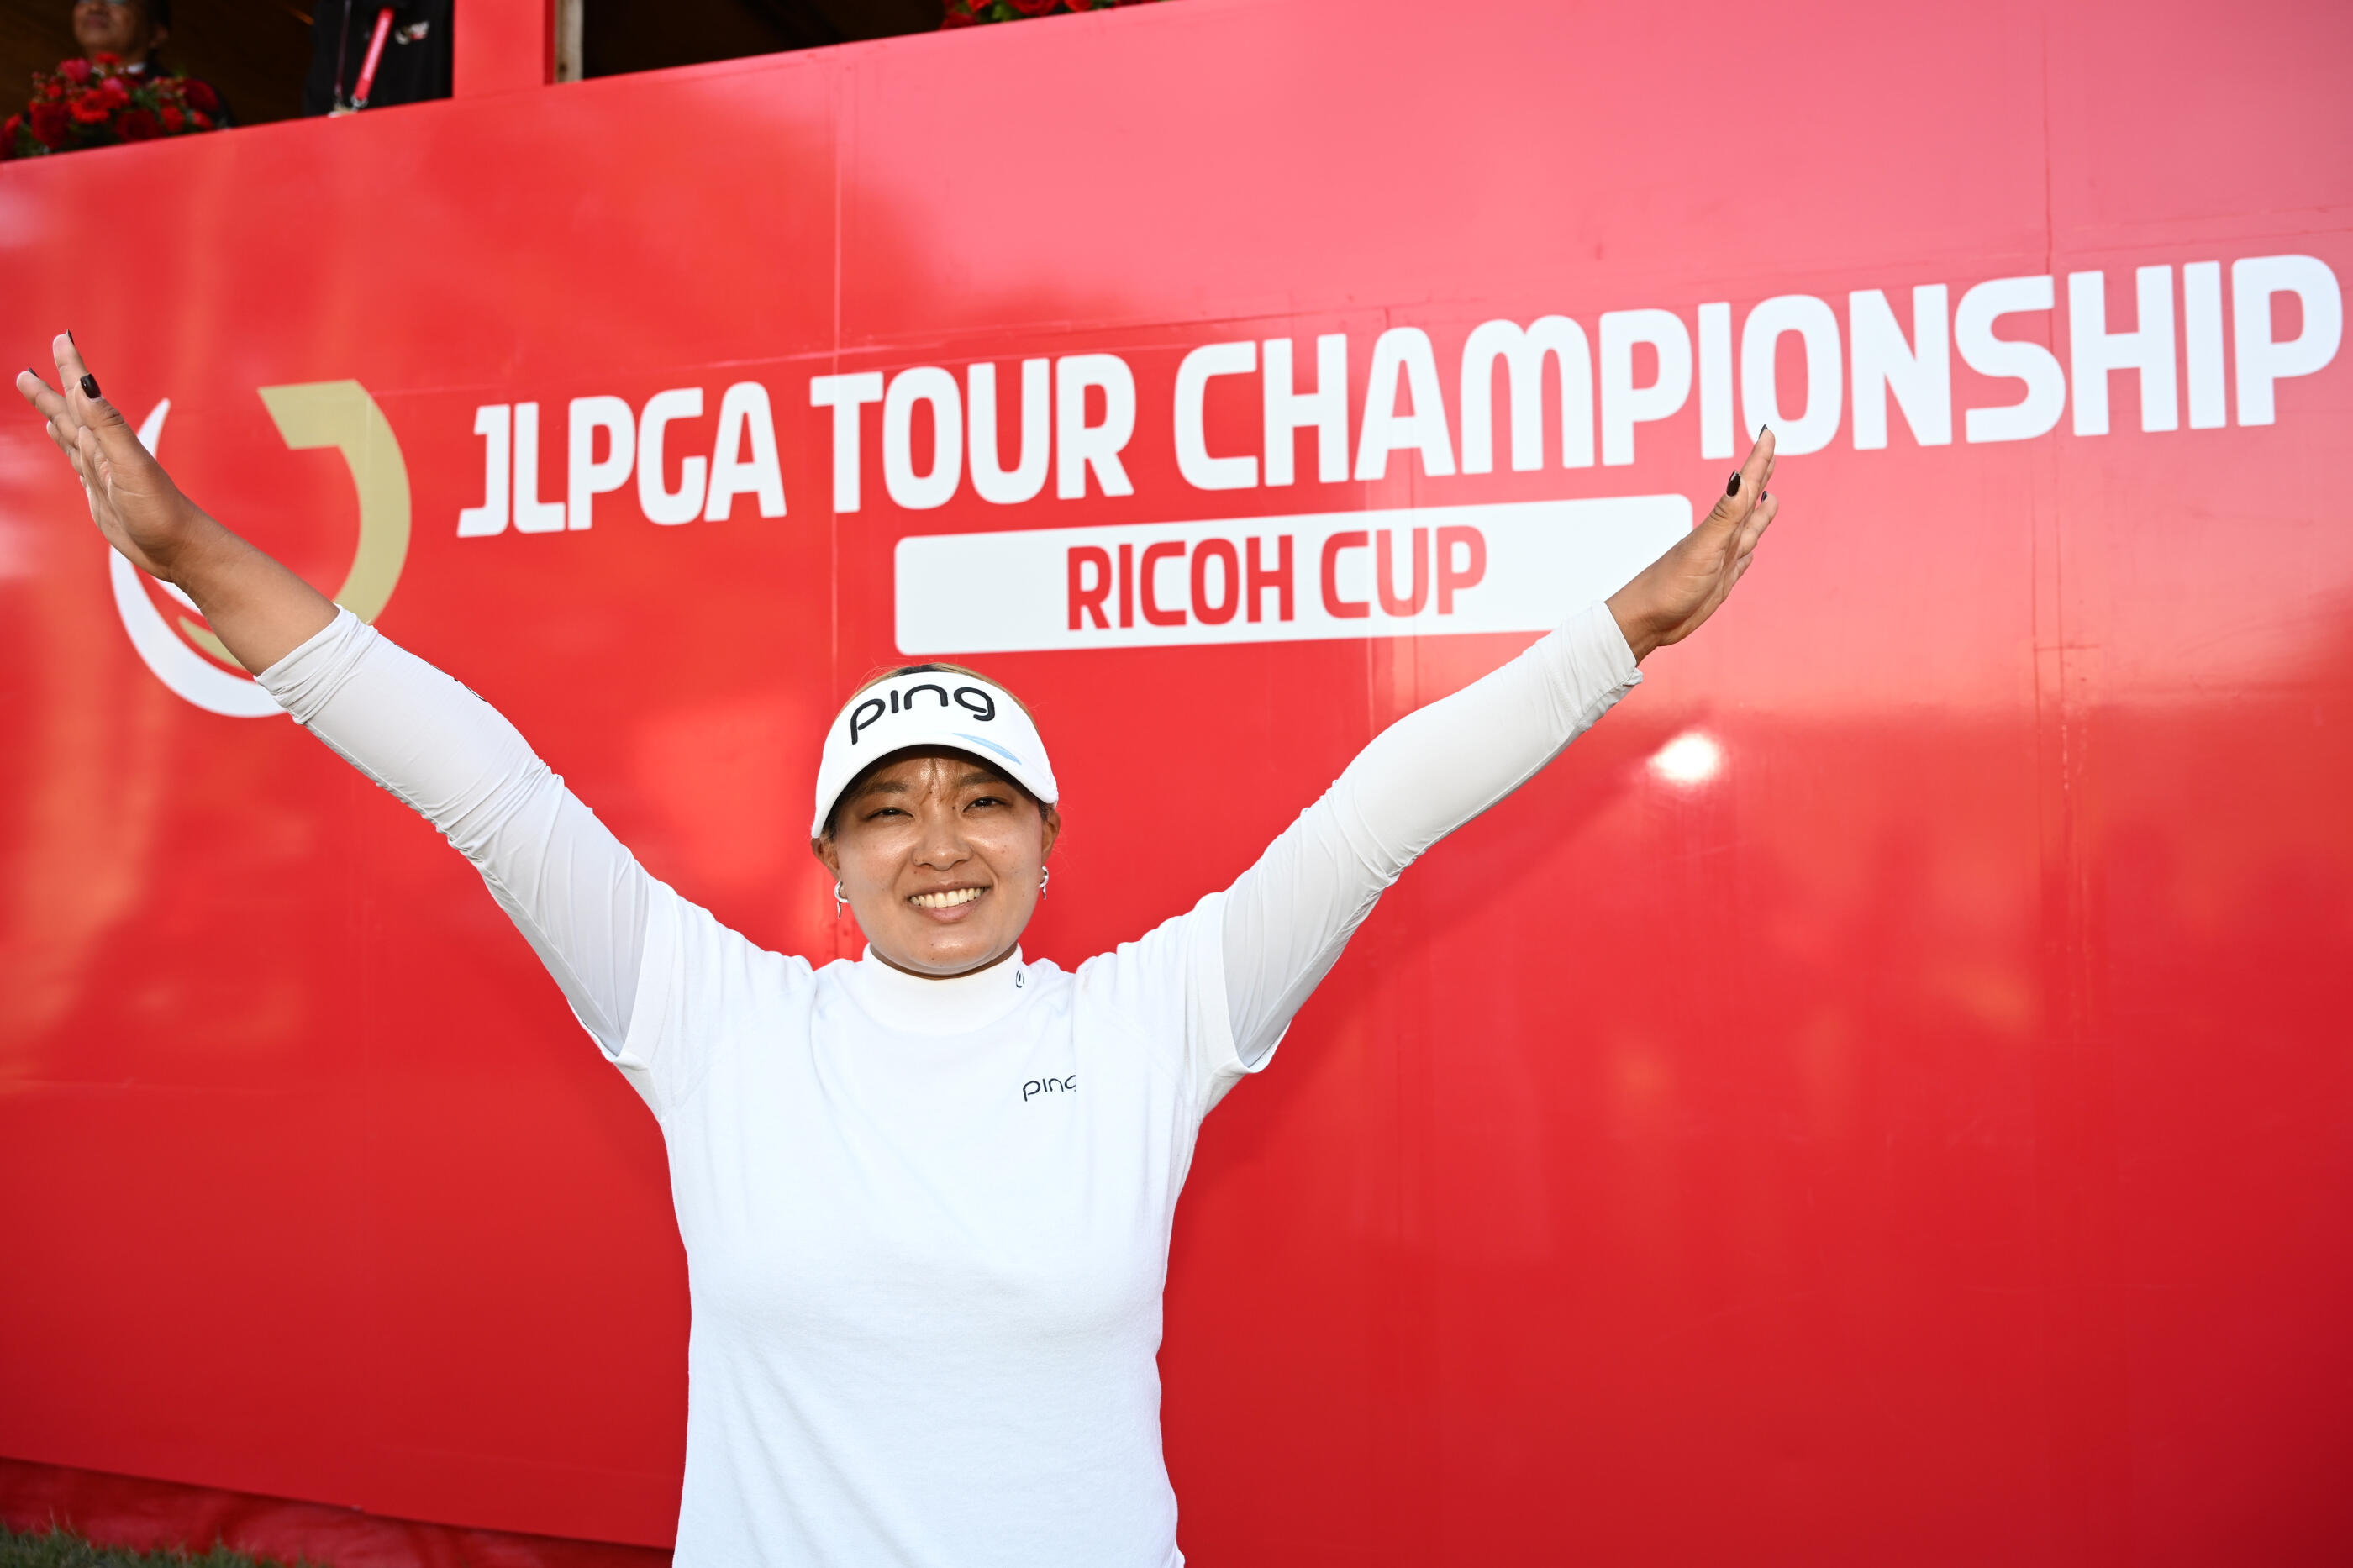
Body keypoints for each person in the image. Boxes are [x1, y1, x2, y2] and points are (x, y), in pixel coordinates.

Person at [17, 336, 1778, 1567]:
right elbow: (475, 774)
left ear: (1044, 842)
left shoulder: (1156, 1017)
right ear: (832, 867)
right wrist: (181, 548)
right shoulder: (713, 1018)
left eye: (981, 802)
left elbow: (1376, 811)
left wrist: (1626, 623)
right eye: (888, 811)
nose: (940, 845)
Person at [70, 0, 228, 122]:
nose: (95, 7)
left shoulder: (192, 98)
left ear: (156, 34)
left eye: (116, 0)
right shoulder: (56, 94)